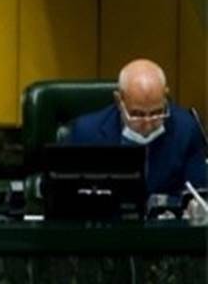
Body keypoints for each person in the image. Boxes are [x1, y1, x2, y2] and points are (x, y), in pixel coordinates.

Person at [65, 58, 207, 197]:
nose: (148, 124)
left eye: (156, 113)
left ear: (165, 96)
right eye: (137, 114)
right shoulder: (85, 132)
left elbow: (198, 193)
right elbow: (66, 192)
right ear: (119, 100)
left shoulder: (186, 128)